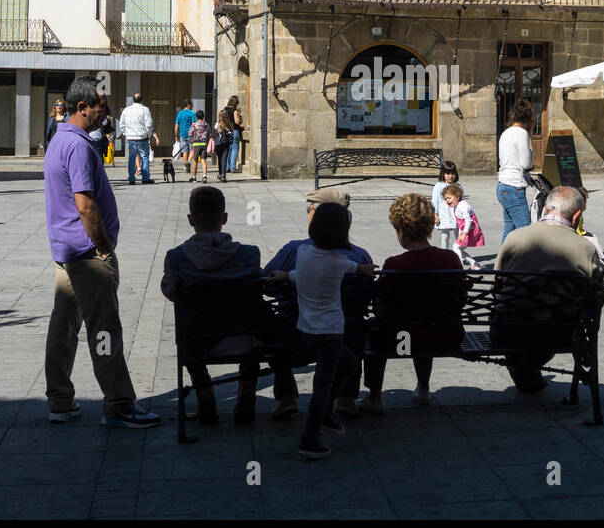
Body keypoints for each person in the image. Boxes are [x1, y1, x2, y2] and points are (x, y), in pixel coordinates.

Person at [44, 76, 160, 430]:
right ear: (83, 108)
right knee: (104, 330)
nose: (105, 114)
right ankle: (119, 404)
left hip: (67, 251)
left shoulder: (60, 138)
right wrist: (103, 246)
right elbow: (85, 204)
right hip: (87, 255)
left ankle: (60, 401)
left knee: (63, 328)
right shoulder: (78, 146)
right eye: (101, 107)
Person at [269, 202, 374, 459]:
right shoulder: (340, 261)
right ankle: (311, 436)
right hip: (330, 332)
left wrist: (286, 276)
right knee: (323, 384)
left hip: (305, 329)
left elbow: (299, 273)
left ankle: (323, 411)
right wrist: (364, 269)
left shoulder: (303, 252)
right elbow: (354, 268)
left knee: (347, 363)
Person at [160, 185, 271, 427]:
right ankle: (247, 389)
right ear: (224, 218)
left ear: (191, 219)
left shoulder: (176, 257)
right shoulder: (249, 254)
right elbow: (261, 286)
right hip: (247, 339)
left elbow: (170, 292)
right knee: (250, 315)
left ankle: (204, 390)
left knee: (188, 325)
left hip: (200, 342)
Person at [357, 192, 465, 415]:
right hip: (447, 337)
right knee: (423, 324)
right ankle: (423, 388)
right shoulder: (451, 259)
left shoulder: (394, 264)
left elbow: (379, 307)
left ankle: (375, 396)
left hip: (401, 342)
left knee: (383, 329)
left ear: (400, 230)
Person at [493, 186, 604, 392]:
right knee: (549, 321)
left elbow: (497, 286)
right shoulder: (586, 248)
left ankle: (524, 371)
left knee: (518, 317)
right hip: (559, 332)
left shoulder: (514, 237)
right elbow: (596, 300)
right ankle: (527, 371)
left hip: (509, 330)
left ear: (545, 209)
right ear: (577, 215)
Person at [497, 97, 535, 243]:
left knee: (510, 229)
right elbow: (526, 163)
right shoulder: (521, 133)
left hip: (502, 184)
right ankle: (523, 263)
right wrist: (530, 138)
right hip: (514, 186)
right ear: (529, 119)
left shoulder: (506, 133)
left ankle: (502, 261)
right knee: (525, 230)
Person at [118, 92, 156, 185]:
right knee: (145, 158)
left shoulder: (126, 110)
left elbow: (121, 124)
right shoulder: (145, 109)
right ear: (142, 100)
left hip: (131, 138)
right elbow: (149, 124)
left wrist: (125, 133)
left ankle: (131, 178)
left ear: (133, 100)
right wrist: (148, 134)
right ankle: (145, 178)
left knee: (131, 158)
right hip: (142, 137)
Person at [443, 183, 485, 269]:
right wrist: (461, 233)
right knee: (459, 249)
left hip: (470, 231)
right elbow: (461, 223)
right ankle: (475, 264)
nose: (447, 201)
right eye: (446, 199)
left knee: (456, 247)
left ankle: (460, 267)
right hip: (467, 231)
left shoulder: (463, 206)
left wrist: (464, 233)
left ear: (457, 197)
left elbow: (468, 220)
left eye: (449, 198)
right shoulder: (458, 205)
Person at [431, 160, 462, 250]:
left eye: (453, 173)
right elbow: (435, 201)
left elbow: (462, 200)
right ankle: (445, 253)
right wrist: (435, 214)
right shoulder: (439, 186)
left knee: (459, 234)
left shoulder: (458, 186)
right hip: (444, 214)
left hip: (457, 214)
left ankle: (460, 253)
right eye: (448, 173)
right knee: (445, 235)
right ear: (443, 174)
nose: (450, 176)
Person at [187, 109, 212, 182]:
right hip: (204, 144)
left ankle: (194, 177)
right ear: (203, 117)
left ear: (196, 117)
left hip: (196, 144)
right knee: (203, 160)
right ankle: (204, 176)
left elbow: (190, 133)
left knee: (195, 160)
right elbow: (210, 134)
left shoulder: (194, 124)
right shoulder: (206, 124)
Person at [224, 94, 245, 173]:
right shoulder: (234, 110)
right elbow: (237, 121)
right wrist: (240, 119)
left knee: (227, 149)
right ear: (236, 102)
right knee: (235, 148)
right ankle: (233, 167)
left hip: (226, 130)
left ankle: (226, 167)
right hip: (234, 130)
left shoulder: (225, 109)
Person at [174, 100, 195, 172]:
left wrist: (176, 135)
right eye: (191, 105)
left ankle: (185, 166)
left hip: (182, 134)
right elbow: (193, 124)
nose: (192, 106)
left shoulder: (179, 113)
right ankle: (189, 162)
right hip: (191, 135)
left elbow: (176, 125)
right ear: (188, 105)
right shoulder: (192, 113)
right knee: (192, 149)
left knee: (184, 151)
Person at [214, 108, 234, 183]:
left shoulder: (218, 124)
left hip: (219, 144)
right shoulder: (229, 124)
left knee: (219, 159)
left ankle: (220, 173)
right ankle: (223, 175)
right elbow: (232, 133)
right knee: (224, 159)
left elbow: (214, 133)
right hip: (226, 144)